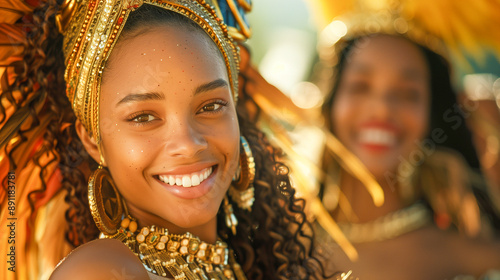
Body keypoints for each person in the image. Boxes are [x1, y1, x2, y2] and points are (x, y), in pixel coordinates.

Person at [0, 0, 328, 279]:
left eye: (210, 106)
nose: (188, 143)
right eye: (143, 117)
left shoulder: (249, 260)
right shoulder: (102, 271)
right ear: (92, 139)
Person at [308, 1, 500, 279]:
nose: (382, 108)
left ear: (430, 115)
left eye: (408, 93)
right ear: (329, 102)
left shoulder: (477, 257)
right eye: (361, 86)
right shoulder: (272, 244)